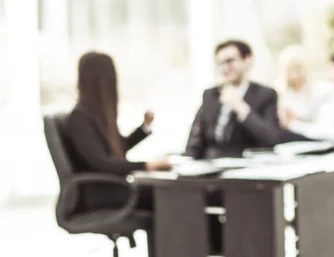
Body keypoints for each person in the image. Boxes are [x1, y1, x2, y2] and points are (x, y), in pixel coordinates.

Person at [66, 51, 171, 211]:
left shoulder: (96, 114)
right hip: (100, 194)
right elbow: (104, 163)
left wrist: (144, 128)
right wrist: (148, 165)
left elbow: (117, 148)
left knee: (166, 194)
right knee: (166, 195)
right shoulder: (80, 117)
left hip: (112, 189)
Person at [185, 40, 281, 159]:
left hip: (245, 164)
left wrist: (241, 108)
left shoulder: (265, 94)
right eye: (220, 63)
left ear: (247, 60)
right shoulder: (211, 94)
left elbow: (271, 138)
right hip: (210, 165)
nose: (224, 68)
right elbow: (195, 139)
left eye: (229, 61)